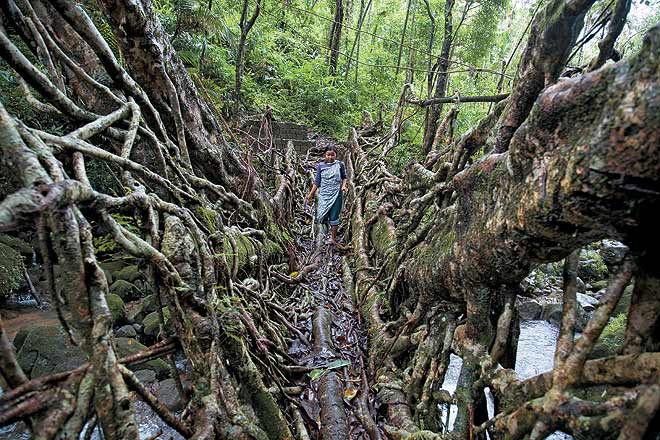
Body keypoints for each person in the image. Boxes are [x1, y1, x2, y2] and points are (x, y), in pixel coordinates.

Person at [305, 145, 348, 245]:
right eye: (328, 155)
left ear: (336, 155)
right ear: (325, 155)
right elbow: (317, 182)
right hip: (324, 195)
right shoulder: (321, 166)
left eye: (332, 155)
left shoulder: (340, 164)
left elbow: (344, 177)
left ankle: (333, 239)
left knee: (334, 216)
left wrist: (344, 186)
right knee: (322, 216)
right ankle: (323, 235)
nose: (330, 157)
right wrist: (310, 195)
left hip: (336, 194)